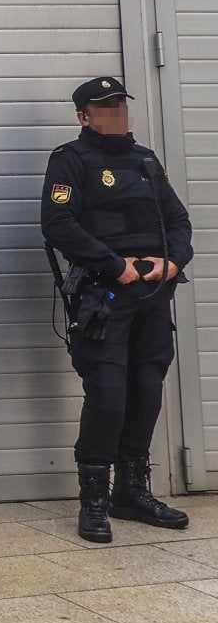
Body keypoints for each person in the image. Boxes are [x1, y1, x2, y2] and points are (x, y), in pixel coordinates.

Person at [42, 76, 192, 543]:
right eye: (103, 107)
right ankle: (94, 501)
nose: (114, 113)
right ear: (83, 115)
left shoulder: (145, 161)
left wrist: (173, 261)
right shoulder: (71, 161)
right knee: (107, 395)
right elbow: (57, 224)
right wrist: (114, 266)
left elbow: (178, 220)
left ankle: (131, 492)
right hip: (103, 296)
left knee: (147, 390)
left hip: (152, 295)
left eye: (119, 105)